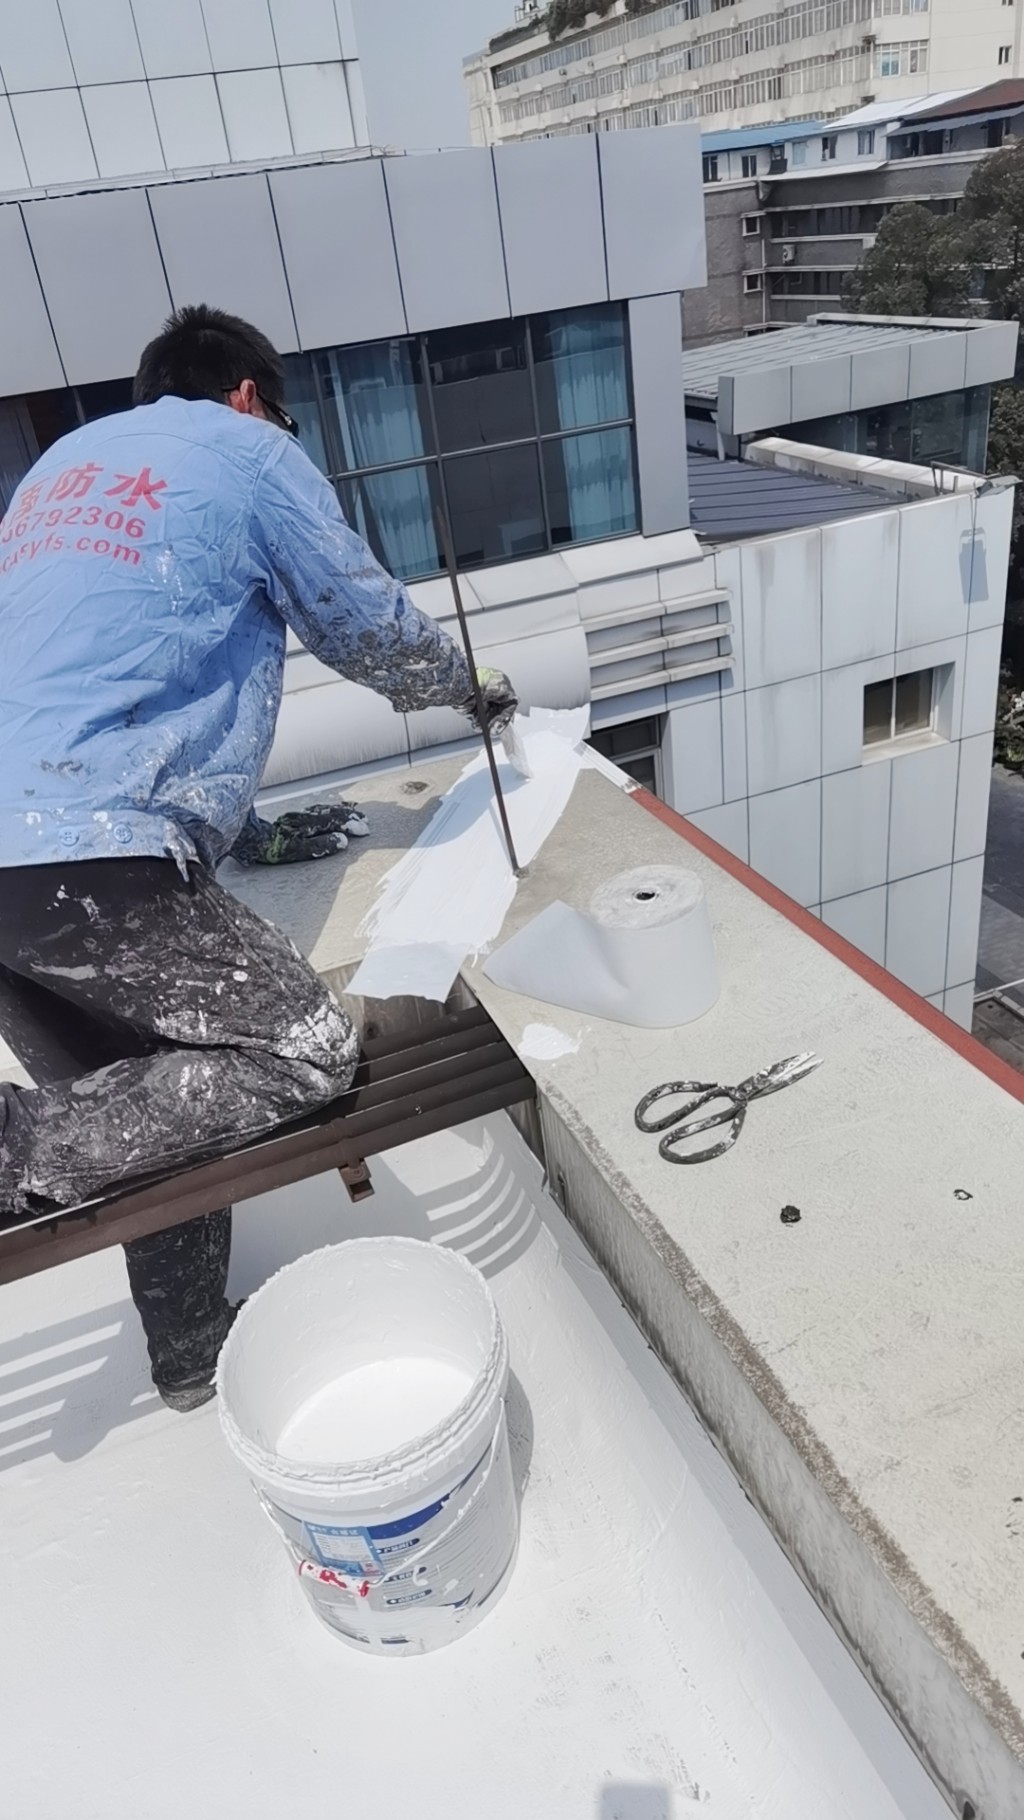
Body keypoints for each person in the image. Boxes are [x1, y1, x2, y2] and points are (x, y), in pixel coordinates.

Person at [0, 304, 516, 1412]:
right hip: (84, 850)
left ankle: (189, 1347)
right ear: (247, 395)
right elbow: (364, 623)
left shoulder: (55, 472)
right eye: (282, 414)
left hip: (28, 863)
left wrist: (237, 832)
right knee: (303, 1050)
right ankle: (10, 1150)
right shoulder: (246, 449)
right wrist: (468, 687)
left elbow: (83, 679)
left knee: (141, 1109)